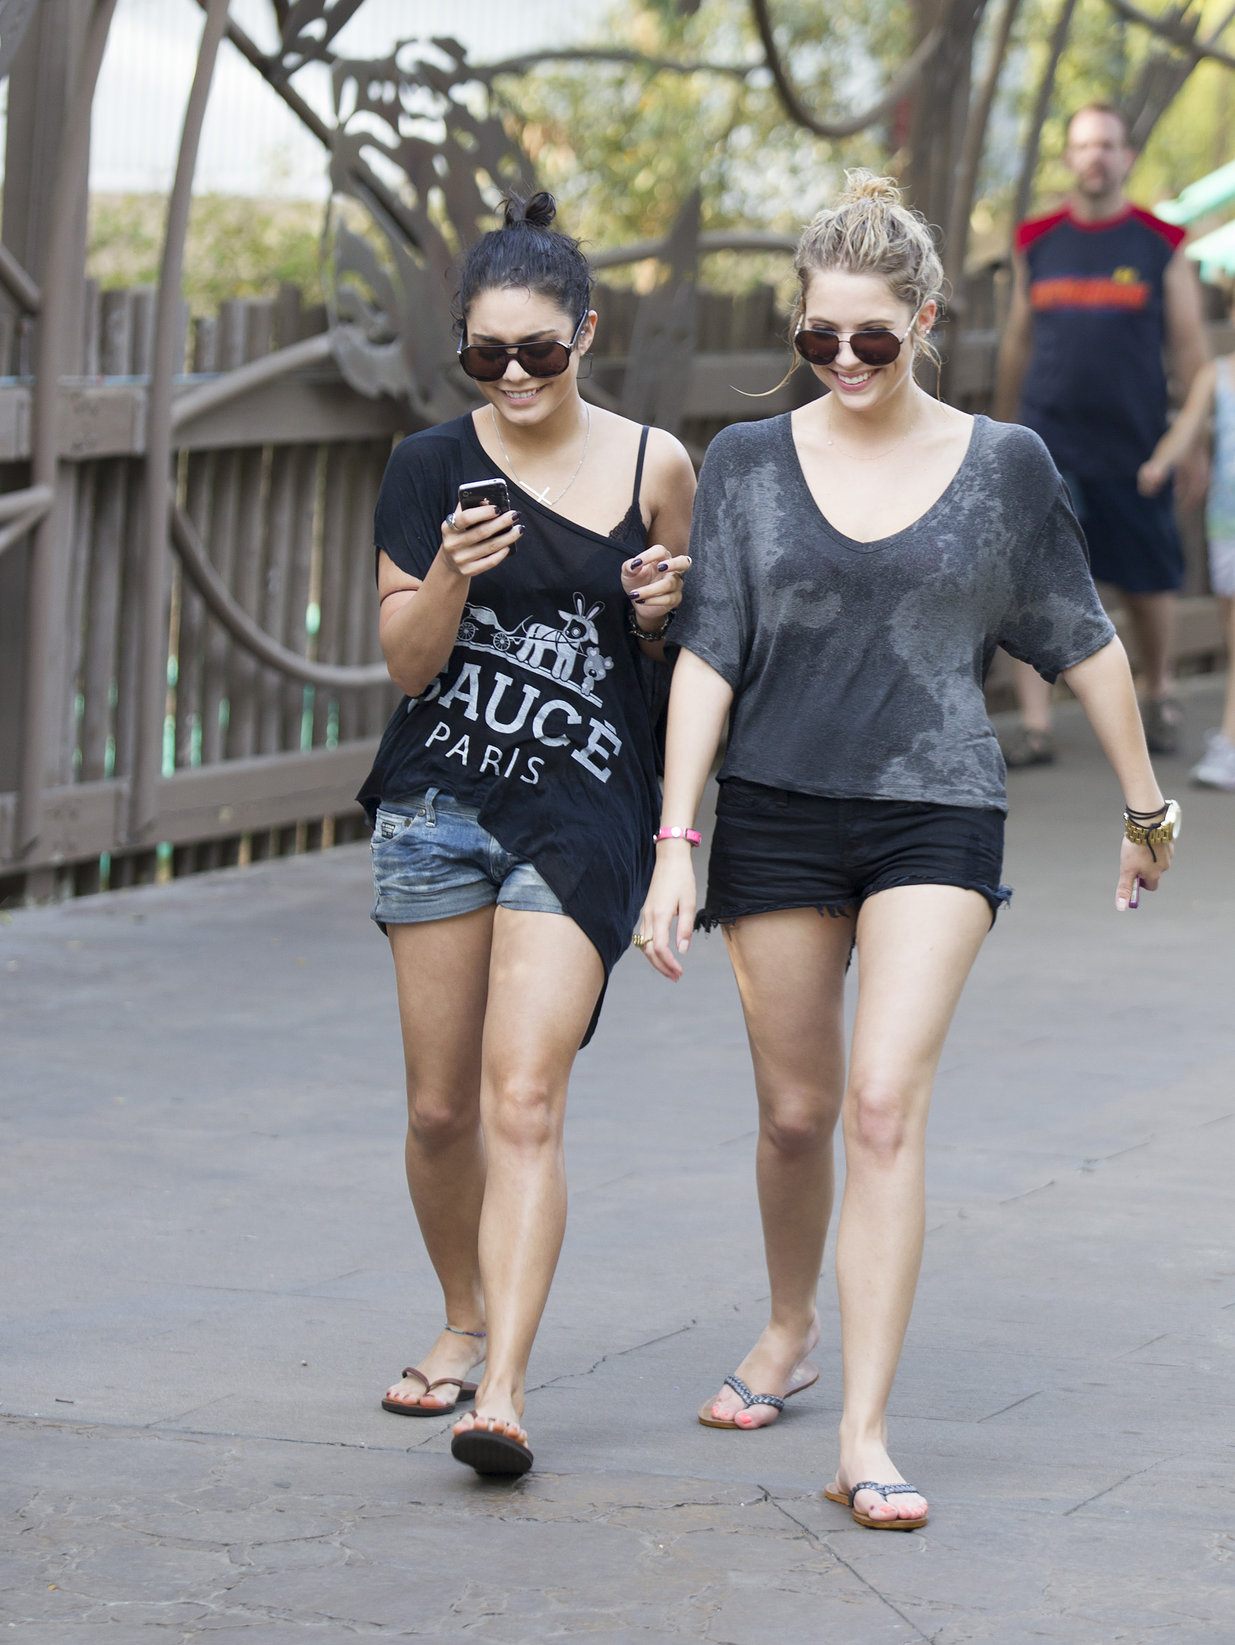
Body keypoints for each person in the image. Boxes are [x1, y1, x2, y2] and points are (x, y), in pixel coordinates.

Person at [638, 171, 1178, 1531]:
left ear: (924, 322)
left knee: (880, 1104)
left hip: (934, 807)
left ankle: (863, 1436)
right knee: (794, 1113)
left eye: (869, 337)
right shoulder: (746, 462)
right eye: (815, 337)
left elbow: (1079, 637)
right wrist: (674, 839)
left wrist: (1142, 806)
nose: (841, 359)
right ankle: (787, 1327)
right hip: (773, 804)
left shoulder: (1004, 466)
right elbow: (707, 653)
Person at [357, 192, 695, 1477]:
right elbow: (405, 665)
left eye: (538, 352)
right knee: (440, 1108)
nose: (512, 377)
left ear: (585, 335)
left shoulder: (657, 467)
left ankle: (499, 1393)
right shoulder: (425, 467)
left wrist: (658, 615)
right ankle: (463, 1315)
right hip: (437, 804)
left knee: (522, 1093)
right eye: (486, 354)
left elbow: (690, 662)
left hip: (581, 814)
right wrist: (449, 568)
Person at [994, 103, 1210, 764]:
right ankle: (1036, 726)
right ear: (1069, 156)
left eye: (1107, 145)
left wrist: (1194, 443)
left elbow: (1189, 349)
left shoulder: (1158, 242)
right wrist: (1000, 431)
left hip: (1134, 446)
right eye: (1084, 145)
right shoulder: (1037, 239)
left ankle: (1158, 691)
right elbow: (1017, 341)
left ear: (1126, 158)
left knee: (1147, 581)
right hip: (1046, 441)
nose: (1095, 156)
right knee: (1032, 582)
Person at [1139, 334, 1235, 789]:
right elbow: (1187, 426)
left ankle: (1230, 742)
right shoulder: (1217, 374)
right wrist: (1160, 462)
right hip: (1227, 527)